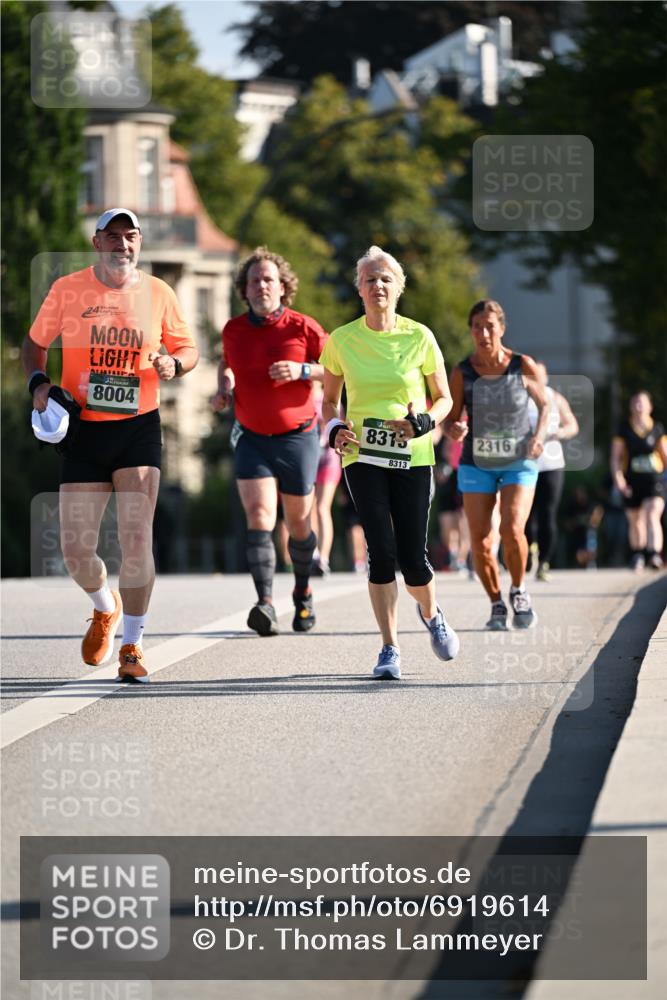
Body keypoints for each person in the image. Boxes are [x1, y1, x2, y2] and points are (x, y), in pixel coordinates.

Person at [21, 208, 199, 682]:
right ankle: (106, 607)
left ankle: (133, 645)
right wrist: (39, 385)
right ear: (97, 243)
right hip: (85, 431)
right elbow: (34, 345)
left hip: (139, 426)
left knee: (137, 538)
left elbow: (188, 349)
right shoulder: (68, 290)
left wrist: (174, 366)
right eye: (113, 236)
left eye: (131, 236)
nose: (123, 244)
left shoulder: (159, 293)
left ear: (139, 244)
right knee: (77, 550)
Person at [320, 245, 459, 680]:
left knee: (413, 559)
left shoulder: (419, 336)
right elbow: (328, 401)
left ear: (398, 287)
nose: (377, 285)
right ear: (358, 288)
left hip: (413, 457)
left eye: (385, 279)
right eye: (369, 279)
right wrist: (333, 430)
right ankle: (389, 647)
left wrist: (422, 421)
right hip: (361, 455)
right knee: (380, 552)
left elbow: (445, 399)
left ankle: (432, 612)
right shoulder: (342, 339)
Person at [212, 247, 327, 635]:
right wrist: (224, 389)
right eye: (254, 280)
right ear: (244, 289)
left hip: (298, 438)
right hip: (253, 438)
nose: (261, 286)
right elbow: (227, 364)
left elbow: (338, 370)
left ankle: (303, 592)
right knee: (259, 516)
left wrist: (302, 369)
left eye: (268, 280)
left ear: (282, 287)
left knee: (297, 523)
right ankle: (265, 603)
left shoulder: (303, 327)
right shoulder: (233, 330)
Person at [444, 300, 549, 630]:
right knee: (480, 539)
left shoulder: (521, 365)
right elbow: (449, 420)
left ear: (502, 328)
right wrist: (454, 428)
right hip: (477, 461)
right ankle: (496, 603)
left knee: (512, 526)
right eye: (477, 326)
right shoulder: (463, 372)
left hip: (518, 458)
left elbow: (545, 404)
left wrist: (539, 436)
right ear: (471, 330)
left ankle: (518, 590)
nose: (484, 332)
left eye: (490, 326)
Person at [525, 361, 579, 581]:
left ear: (546, 377)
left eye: (540, 375)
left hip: (552, 464)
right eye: (533, 375)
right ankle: (530, 551)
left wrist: (559, 432)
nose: (536, 379)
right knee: (526, 515)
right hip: (526, 464)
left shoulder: (556, 398)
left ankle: (544, 562)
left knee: (547, 514)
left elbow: (573, 426)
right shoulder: (522, 399)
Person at [610, 391, 667, 570]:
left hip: (654, 480)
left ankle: (654, 555)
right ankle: (638, 553)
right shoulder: (624, 429)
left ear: (650, 407)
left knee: (652, 514)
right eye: (635, 403)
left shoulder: (657, 428)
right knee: (636, 520)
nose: (638, 406)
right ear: (630, 406)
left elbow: (665, 455)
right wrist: (618, 479)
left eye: (642, 403)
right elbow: (616, 458)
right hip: (631, 481)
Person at [311, 383, 342, 576]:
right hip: (310, 459)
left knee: (322, 508)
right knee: (310, 509)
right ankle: (313, 554)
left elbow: (339, 423)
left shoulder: (329, 397)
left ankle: (323, 557)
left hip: (328, 460)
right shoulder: (302, 399)